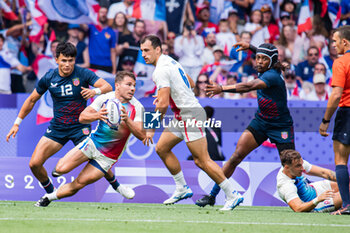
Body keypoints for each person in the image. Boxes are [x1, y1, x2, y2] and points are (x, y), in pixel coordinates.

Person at [5, 42, 126, 202]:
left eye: (70, 60)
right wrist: (17, 123)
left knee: (98, 158)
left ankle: (116, 185)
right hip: (58, 128)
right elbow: (32, 100)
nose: (67, 64)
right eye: (64, 60)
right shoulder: (49, 77)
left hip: (80, 127)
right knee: (34, 164)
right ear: (56, 59)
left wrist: (94, 91)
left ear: (75, 60)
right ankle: (50, 192)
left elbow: (107, 86)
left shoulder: (83, 73)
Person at [140, 35, 243, 211]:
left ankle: (232, 194)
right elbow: (192, 83)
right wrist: (172, 92)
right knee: (161, 148)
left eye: (147, 50)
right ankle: (181, 188)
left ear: (158, 49)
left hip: (190, 115)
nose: (143, 54)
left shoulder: (160, 70)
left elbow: (163, 104)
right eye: (141, 51)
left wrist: (150, 128)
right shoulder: (171, 61)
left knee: (202, 161)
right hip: (182, 114)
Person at [196, 42, 295, 207]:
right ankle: (212, 196)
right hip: (261, 122)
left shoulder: (272, 76)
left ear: (271, 61)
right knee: (235, 157)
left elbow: (249, 86)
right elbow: (265, 56)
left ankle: (307, 198)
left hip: (281, 126)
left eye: (264, 59)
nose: (259, 62)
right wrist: (250, 47)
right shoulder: (269, 65)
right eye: (257, 58)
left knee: (290, 166)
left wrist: (222, 88)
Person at [34, 71, 143, 207]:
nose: (133, 88)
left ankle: (48, 198)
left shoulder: (138, 107)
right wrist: (98, 115)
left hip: (107, 157)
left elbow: (142, 136)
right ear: (118, 85)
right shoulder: (105, 98)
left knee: (78, 184)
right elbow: (82, 117)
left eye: (134, 85)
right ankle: (117, 185)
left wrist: (127, 120)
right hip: (92, 144)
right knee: (60, 169)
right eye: (129, 85)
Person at [319, 25, 350, 215]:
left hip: (347, 113)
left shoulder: (340, 62)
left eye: (335, 41)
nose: (333, 44)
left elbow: (336, 93)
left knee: (341, 160)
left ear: (344, 42)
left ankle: (346, 205)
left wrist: (325, 120)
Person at [277, 149, 342, 213]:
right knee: (346, 195)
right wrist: (318, 199)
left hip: (313, 188)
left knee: (346, 182)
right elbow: (298, 208)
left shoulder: (297, 162)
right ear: (286, 167)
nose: (302, 168)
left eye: (302, 164)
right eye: (298, 166)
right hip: (313, 205)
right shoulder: (285, 186)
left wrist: (345, 179)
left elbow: (323, 173)